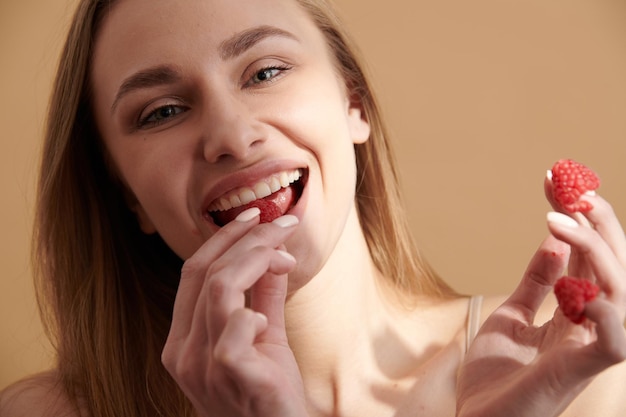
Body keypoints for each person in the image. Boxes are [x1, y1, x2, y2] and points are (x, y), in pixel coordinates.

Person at [1, 0, 625, 415]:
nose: (231, 136)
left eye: (266, 71)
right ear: (127, 195)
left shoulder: (572, 373)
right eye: (162, 111)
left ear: (354, 105)